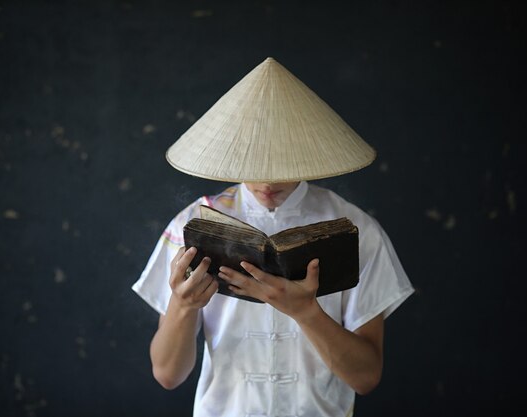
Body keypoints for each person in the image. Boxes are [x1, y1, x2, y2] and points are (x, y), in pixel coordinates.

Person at [132, 57, 414, 417]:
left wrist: (306, 312)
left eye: (282, 161)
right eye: (256, 162)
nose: (268, 182)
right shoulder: (194, 223)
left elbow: (366, 377)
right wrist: (183, 305)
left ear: (307, 152)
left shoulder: (355, 230)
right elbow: (168, 374)